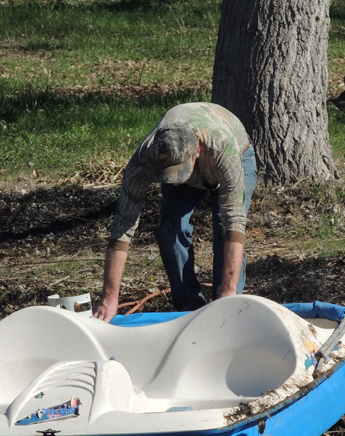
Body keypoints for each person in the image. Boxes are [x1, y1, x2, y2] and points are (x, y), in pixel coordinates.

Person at [92, 102, 257, 322]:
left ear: (196, 152)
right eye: (170, 177)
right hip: (180, 159)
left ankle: (227, 306)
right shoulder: (145, 160)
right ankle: (189, 311)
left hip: (237, 153)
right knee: (170, 229)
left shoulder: (222, 151)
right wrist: (108, 299)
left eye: (180, 174)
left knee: (222, 229)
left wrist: (227, 293)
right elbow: (123, 227)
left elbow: (234, 225)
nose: (176, 183)